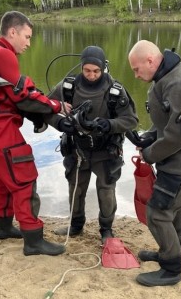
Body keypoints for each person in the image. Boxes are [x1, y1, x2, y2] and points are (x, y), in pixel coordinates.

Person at [0, 11, 72, 256]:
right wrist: (56, 106)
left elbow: (12, 95)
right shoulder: (3, 54)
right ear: (12, 32)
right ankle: (33, 240)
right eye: (26, 36)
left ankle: (3, 227)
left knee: (5, 176)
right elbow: (22, 94)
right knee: (23, 175)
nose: (28, 43)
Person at [127, 40, 181, 287]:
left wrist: (149, 154)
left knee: (157, 212)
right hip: (179, 158)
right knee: (176, 208)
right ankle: (170, 249)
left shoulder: (177, 84)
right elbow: (169, 122)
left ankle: (171, 268)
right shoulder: (169, 76)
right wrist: (148, 137)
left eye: (136, 69)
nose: (136, 75)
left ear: (151, 61)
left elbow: (178, 136)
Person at [45, 46, 139, 245]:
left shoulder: (115, 90)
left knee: (106, 190)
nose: (92, 75)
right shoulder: (68, 87)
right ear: (81, 67)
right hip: (77, 148)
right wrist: (60, 122)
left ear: (103, 68)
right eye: (87, 70)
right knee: (76, 187)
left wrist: (110, 124)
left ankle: (106, 229)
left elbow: (131, 120)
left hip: (106, 150)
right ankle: (76, 225)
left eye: (96, 71)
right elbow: (44, 108)